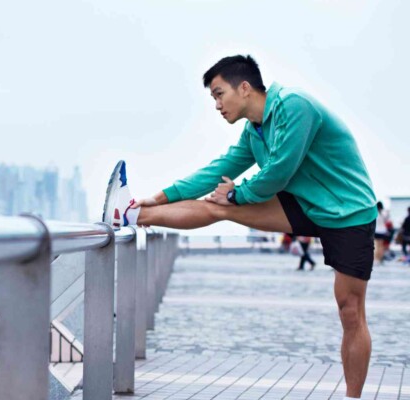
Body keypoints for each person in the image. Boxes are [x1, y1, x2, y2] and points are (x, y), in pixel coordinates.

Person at [102, 55, 377, 400]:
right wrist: (158, 196)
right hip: (303, 202)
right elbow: (218, 169)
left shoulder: (295, 107)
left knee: (349, 310)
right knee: (216, 208)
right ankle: (129, 214)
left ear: (244, 88)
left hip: (348, 211)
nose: (216, 105)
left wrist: (236, 193)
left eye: (219, 94)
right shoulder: (254, 131)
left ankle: (353, 397)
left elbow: (280, 171)